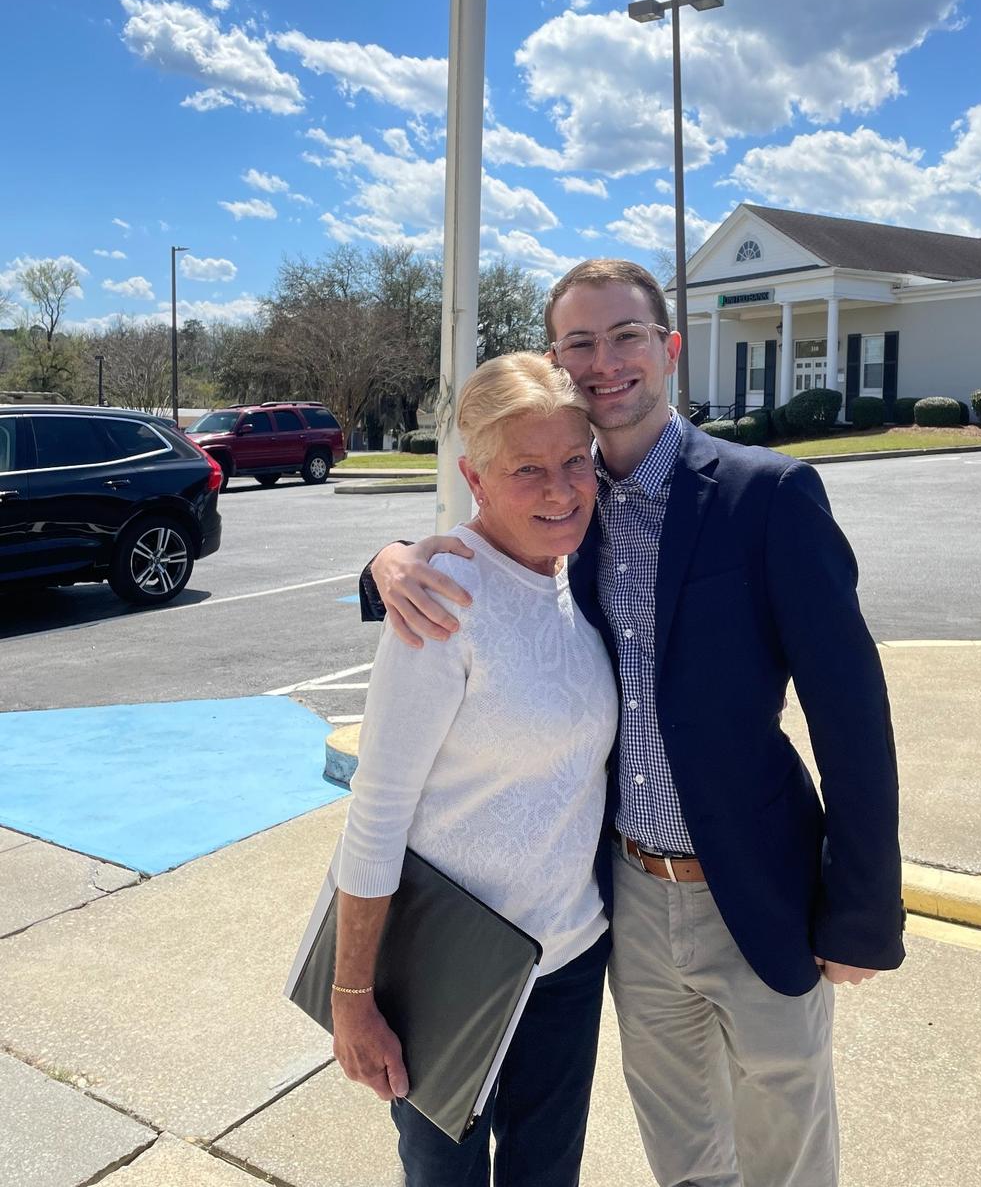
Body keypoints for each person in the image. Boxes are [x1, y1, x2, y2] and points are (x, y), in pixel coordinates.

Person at [362, 259, 905, 1187]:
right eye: (580, 342)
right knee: (684, 1153)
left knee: (787, 1152)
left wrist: (860, 911)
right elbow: (480, 557)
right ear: (557, 364)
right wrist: (383, 561)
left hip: (760, 889)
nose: (606, 360)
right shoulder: (572, 505)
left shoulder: (766, 496)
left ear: (669, 349)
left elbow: (852, 715)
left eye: (627, 336)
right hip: (628, 898)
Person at [333, 352, 618, 1187]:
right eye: (527, 468)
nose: (561, 489)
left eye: (575, 460)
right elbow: (378, 807)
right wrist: (353, 996)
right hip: (447, 967)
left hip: (567, 957)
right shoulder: (442, 592)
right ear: (474, 477)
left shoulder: (577, 570)